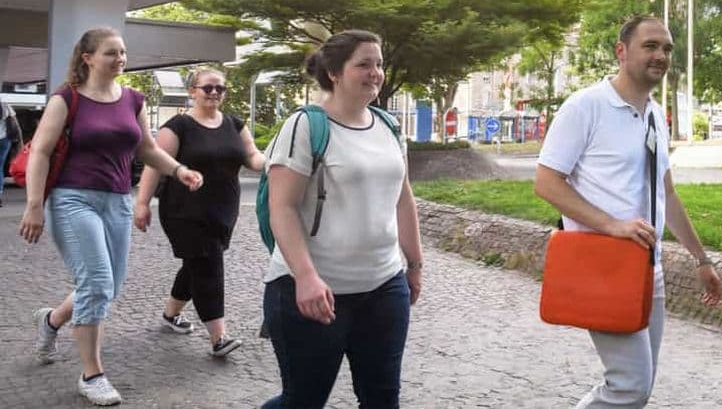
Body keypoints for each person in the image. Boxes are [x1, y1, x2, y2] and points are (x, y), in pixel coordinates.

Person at [535, 16, 722, 408]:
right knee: (630, 384)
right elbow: (547, 182)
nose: (661, 55)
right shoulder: (585, 106)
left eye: (667, 48)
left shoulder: (655, 114)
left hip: (647, 271)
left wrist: (701, 259)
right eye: (650, 45)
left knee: (641, 384)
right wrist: (612, 225)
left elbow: (666, 193)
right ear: (622, 51)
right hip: (602, 267)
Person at [19, 27, 203, 406]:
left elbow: (146, 149)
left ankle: (52, 320)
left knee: (108, 286)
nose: (120, 59)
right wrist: (34, 204)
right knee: (98, 282)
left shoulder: (132, 99)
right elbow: (39, 152)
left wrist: (178, 170)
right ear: (87, 57)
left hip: (117, 200)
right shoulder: (66, 98)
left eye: (122, 52)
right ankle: (92, 375)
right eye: (110, 53)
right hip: (73, 200)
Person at [261, 30, 423, 409]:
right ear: (334, 72)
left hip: (383, 288)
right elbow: (281, 207)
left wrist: (413, 265)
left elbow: (403, 198)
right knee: (303, 400)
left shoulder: (389, 126)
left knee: (382, 398)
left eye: (379, 64)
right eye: (364, 64)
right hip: (315, 291)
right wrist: (306, 277)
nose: (376, 73)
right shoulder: (305, 126)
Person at [134, 67, 266, 357]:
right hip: (185, 209)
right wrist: (142, 203)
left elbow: (252, 155)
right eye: (208, 88)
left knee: (196, 263)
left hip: (223, 209)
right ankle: (218, 337)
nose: (215, 93)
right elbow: (155, 164)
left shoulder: (234, 123)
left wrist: (272, 162)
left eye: (220, 88)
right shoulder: (178, 126)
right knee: (207, 265)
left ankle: (171, 314)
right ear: (193, 91)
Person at [0, 98, 22, 207]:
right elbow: (16, 125)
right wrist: (20, 143)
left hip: (5, 140)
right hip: (5, 140)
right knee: (0, 168)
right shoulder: (5, 105)